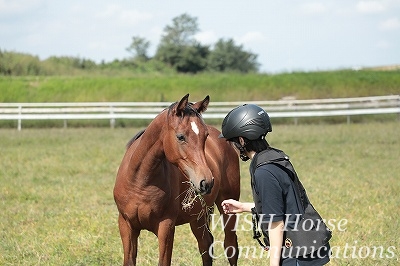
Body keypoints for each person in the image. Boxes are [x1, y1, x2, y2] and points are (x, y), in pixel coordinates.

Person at [219, 104, 330, 266]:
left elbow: (276, 223)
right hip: (310, 243)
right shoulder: (276, 158)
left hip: (299, 254)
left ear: (242, 140)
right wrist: (243, 206)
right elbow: (284, 204)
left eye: (232, 142)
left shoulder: (263, 172)